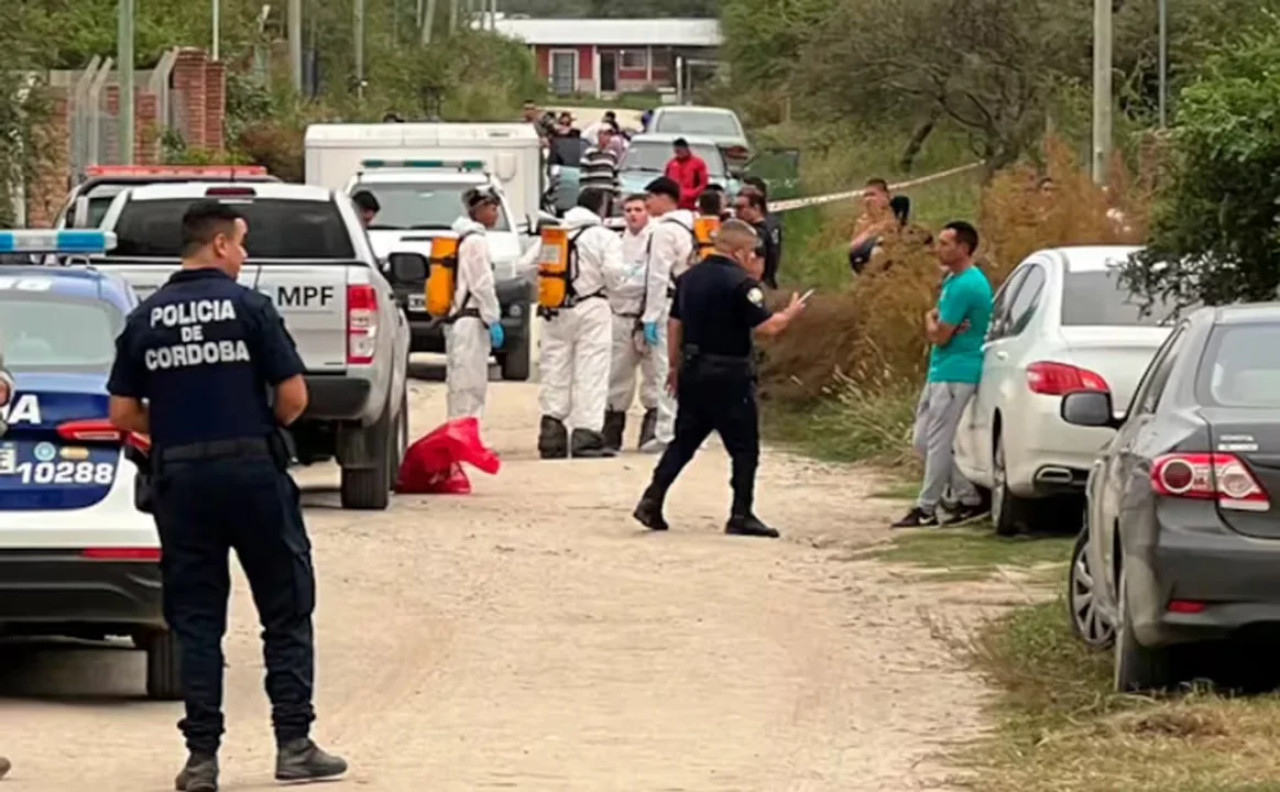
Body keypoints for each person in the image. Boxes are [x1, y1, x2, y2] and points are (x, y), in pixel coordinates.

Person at [105, 200, 346, 792]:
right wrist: (247, 425)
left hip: (181, 481)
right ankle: (293, 744)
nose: (242, 254)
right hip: (252, 474)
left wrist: (183, 428)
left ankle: (202, 759)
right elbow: (294, 399)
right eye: (239, 243)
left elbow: (122, 413)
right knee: (285, 608)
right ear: (217, 245)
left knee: (196, 620)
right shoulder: (250, 308)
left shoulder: (147, 317)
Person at [632, 220, 805, 538]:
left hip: (693, 369)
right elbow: (768, 327)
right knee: (744, 447)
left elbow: (674, 325)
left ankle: (652, 499)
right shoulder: (742, 284)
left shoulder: (688, 278)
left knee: (684, 441)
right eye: (752, 252)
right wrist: (791, 313)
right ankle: (741, 513)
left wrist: (673, 367)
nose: (754, 258)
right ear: (739, 251)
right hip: (730, 373)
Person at [892, 221, 993, 528]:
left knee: (938, 439)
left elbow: (940, 335)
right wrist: (937, 323)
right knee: (922, 439)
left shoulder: (967, 285)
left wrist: (931, 321)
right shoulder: (953, 280)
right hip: (941, 369)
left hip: (956, 371)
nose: (939, 248)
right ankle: (967, 495)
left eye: (946, 243)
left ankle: (926, 506)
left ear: (963, 248)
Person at [537, 188, 623, 458]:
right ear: (601, 207)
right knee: (591, 371)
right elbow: (613, 273)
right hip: (592, 307)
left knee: (555, 369)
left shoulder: (555, 234)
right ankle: (585, 436)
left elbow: (527, 266)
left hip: (556, 309)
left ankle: (552, 434)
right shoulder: (604, 237)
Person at [640, 176, 697, 452]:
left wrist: (650, 316)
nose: (647, 203)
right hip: (693, 303)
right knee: (687, 367)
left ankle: (667, 432)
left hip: (669, 305)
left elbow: (657, 275)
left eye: (650, 197)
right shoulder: (691, 225)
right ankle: (688, 429)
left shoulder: (664, 231)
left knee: (666, 367)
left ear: (665, 198)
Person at [603, 194, 658, 452]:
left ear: (648, 211)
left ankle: (652, 429)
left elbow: (652, 278)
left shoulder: (657, 239)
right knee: (617, 375)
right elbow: (612, 280)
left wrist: (625, 283)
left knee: (654, 374)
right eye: (628, 210)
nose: (633, 214)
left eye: (638, 209)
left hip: (650, 315)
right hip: (621, 316)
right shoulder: (615, 242)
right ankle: (611, 432)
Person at [447, 188, 505, 421]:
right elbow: (482, 284)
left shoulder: (464, 239)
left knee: (461, 384)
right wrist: (493, 318)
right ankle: (465, 441)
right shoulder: (476, 242)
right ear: (478, 211)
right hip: (472, 319)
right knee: (470, 386)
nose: (496, 215)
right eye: (492, 209)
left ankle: (461, 438)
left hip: (463, 321)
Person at [848, 177, 897, 274]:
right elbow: (853, 246)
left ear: (885, 196)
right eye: (866, 196)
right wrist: (870, 231)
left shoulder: (894, 216)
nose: (868, 200)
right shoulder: (862, 221)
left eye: (872, 195)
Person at [732, 188, 779, 288]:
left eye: (740, 208)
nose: (736, 212)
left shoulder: (754, 233)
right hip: (769, 281)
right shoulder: (772, 223)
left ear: (756, 208)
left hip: (757, 284)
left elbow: (757, 268)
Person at [663, 138, 709, 212]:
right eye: (676, 151)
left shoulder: (698, 163)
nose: (677, 153)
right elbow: (666, 182)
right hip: (674, 204)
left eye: (679, 151)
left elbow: (703, 184)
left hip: (691, 205)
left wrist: (691, 195)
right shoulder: (671, 164)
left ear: (686, 149)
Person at [579, 126, 622, 202]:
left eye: (609, 135)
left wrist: (617, 195)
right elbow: (583, 175)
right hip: (593, 195)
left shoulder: (612, 155)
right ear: (598, 136)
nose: (607, 137)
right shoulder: (590, 153)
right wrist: (585, 193)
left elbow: (615, 176)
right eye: (605, 134)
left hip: (608, 195)